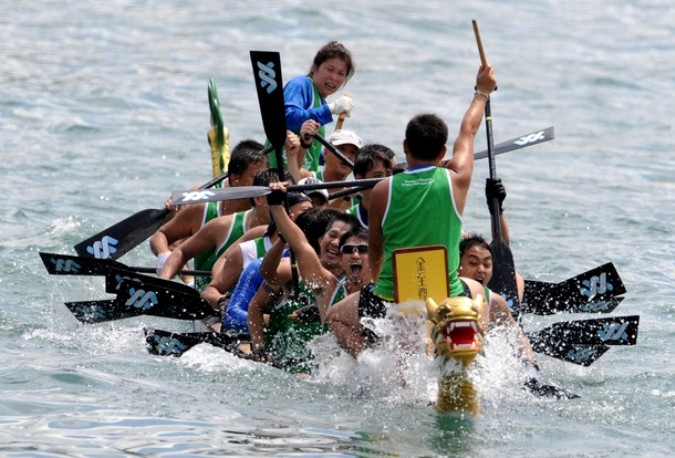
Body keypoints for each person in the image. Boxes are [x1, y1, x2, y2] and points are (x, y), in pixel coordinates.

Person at [326, 63, 498, 356]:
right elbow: (467, 131)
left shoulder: (382, 189)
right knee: (480, 293)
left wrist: (381, 288)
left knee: (335, 318)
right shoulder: (457, 180)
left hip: (394, 295)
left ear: (404, 147)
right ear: (443, 153)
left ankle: (373, 365)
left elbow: (376, 251)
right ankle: (478, 354)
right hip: (447, 292)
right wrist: (482, 92)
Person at [150, 140, 268, 278]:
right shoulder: (202, 207)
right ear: (235, 179)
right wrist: (164, 256)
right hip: (203, 290)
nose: (263, 182)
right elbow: (165, 239)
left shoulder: (269, 211)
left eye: (265, 176)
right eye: (256, 177)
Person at [157, 168, 277, 290]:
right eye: (278, 199)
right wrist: (163, 282)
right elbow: (180, 251)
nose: (284, 206)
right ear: (258, 199)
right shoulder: (223, 225)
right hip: (208, 297)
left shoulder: (290, 233)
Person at [201, 191, 313, 309]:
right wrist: (222, 302)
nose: (313, 216)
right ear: (285, 215)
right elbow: (210, 290)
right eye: (306, 211)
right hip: (240, 314)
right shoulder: (248, 250)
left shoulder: (314, 250)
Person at [270, 41, 356, 173]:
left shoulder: (321, 103)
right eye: (330, 69)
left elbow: (311, 154)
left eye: (341, 73)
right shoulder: (301, 84)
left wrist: (338, 155)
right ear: (314, 68)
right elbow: (285, 119)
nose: (334, 77)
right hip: (279, 176)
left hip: (303, 180)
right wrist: (331, 109)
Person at [346, 144, 395, 228]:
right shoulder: (347, 219)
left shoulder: (405, 214)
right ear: (359, 180)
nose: (387, 183)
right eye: (377, 176)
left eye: (390, 175)